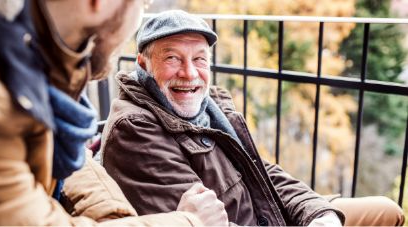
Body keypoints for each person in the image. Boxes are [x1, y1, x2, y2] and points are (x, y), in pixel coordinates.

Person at [101, 10, 406, 226]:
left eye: (199, 59)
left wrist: (316, 214)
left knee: (386, 210)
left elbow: (261, 170)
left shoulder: (209, 107)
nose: (189, 73)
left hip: (268, 210)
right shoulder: (135, 128)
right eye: (172, 58)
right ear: (143, 63)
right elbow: (201, 221)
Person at [0, 0, 227, 225]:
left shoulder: (23, 58)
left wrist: (112, 214)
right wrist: (189, 222)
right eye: (142, 5)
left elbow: (71, 160)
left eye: (200, 58)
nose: (189, 72)